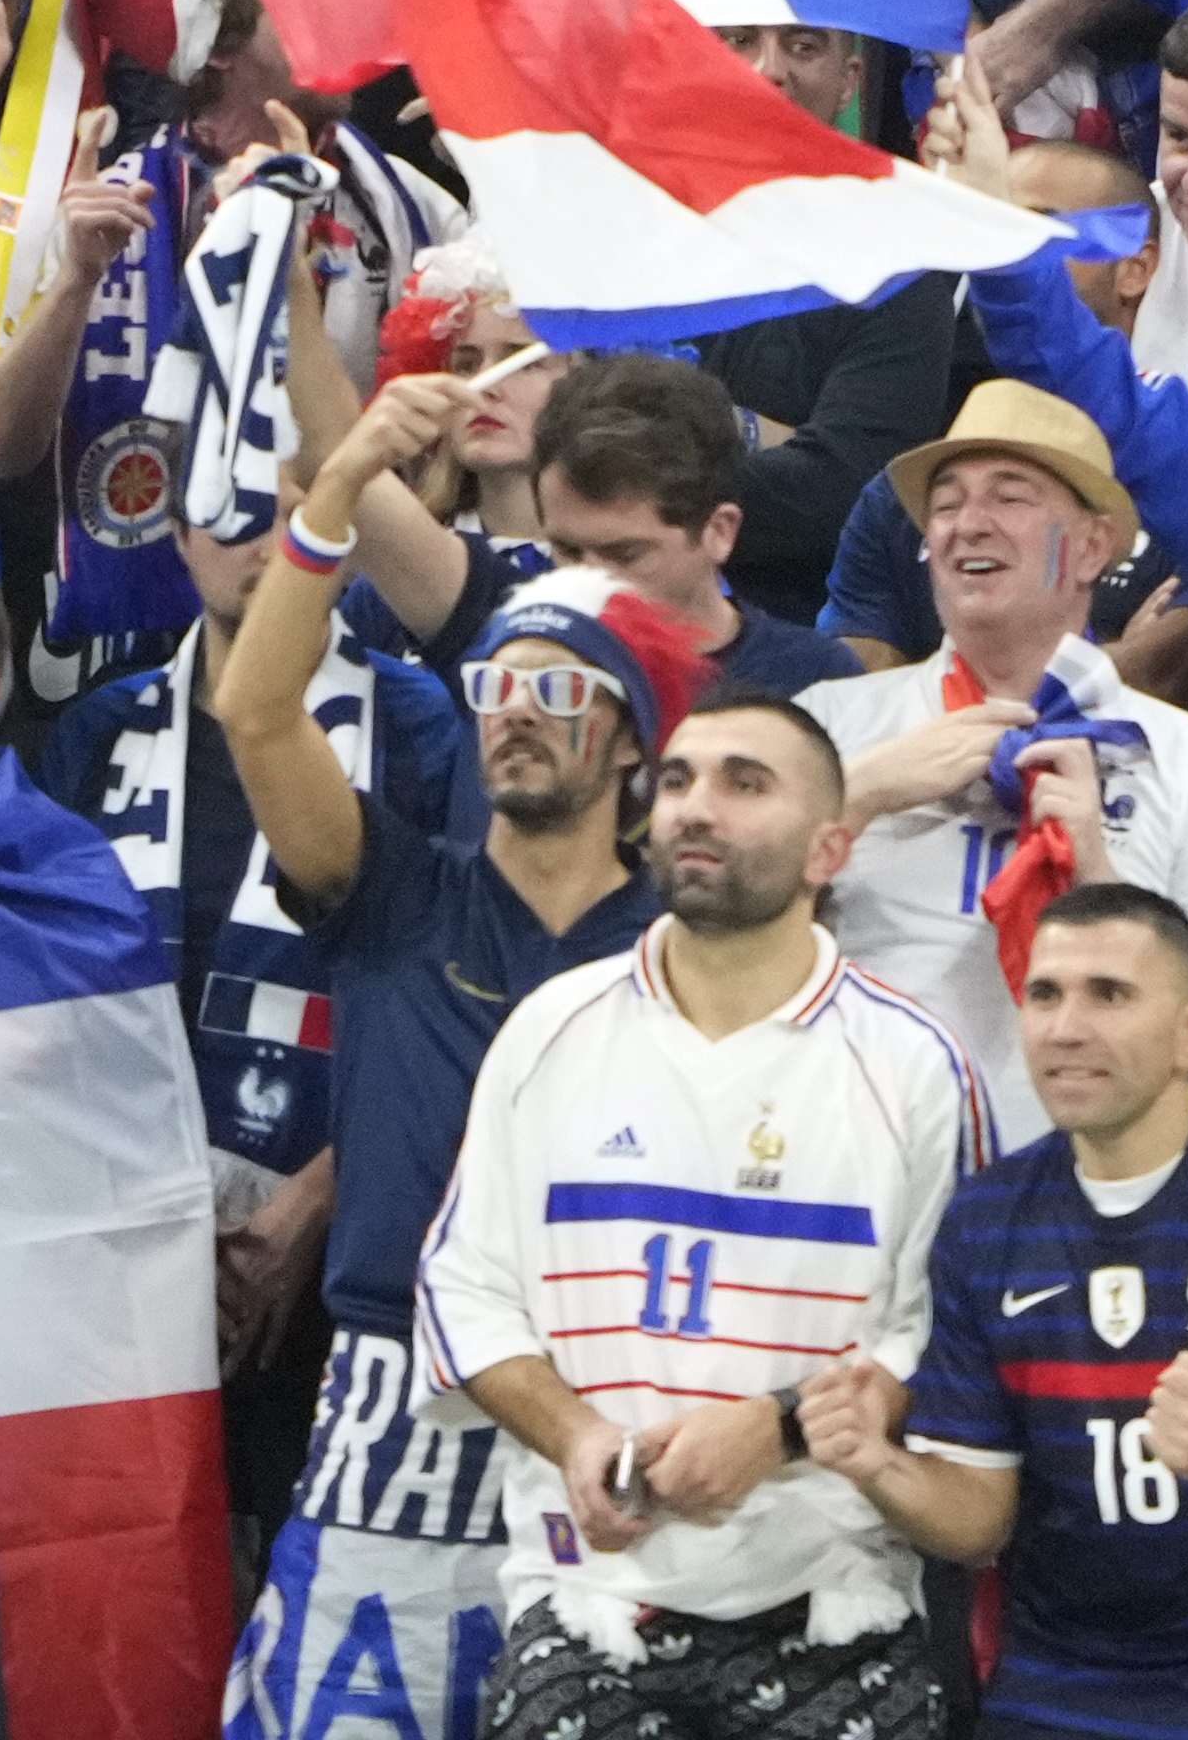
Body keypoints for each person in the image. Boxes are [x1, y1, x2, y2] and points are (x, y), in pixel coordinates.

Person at [428, 678, 996, 1740]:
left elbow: (945, 1341)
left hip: (836, 1600)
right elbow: (464, 1289)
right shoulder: (551, 1029)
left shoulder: (916, 1066)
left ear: (830, 849)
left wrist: (778, 1430)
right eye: (680, 779)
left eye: (745, 783)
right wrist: (577, 1435)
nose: (697, 806)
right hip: (588, 1598)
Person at [834, 877, 1188, 1736]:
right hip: (1061, 1674)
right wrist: (875, 1464)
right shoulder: (987, 1219)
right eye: (1045, 994)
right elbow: (977, 1523)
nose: (1066, 1027)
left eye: (1109, 994)